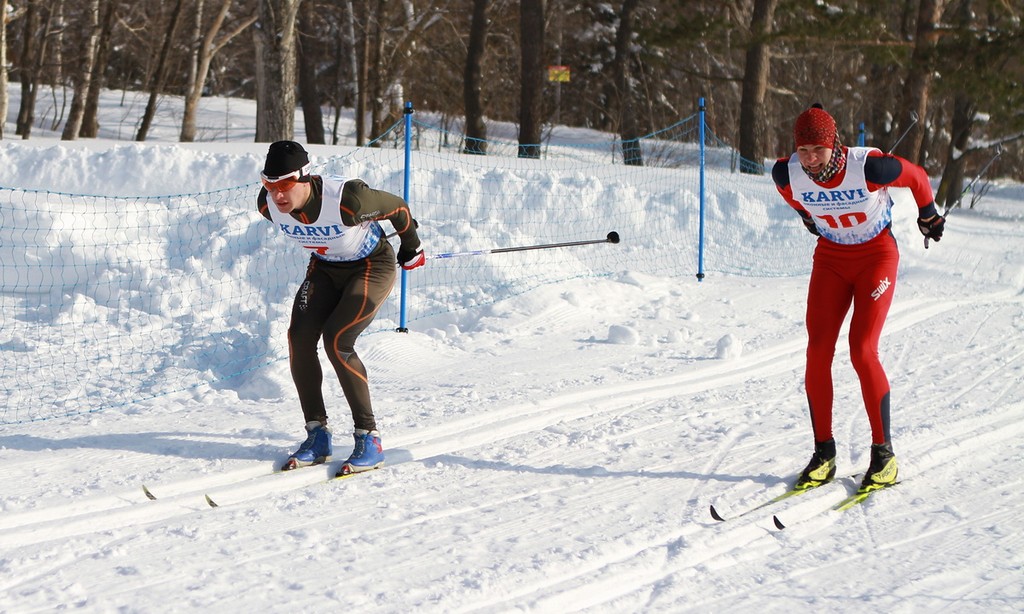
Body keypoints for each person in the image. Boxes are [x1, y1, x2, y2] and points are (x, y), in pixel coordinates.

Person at [771, 104, 945, 492]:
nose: (811, 160)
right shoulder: (786, 173)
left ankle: (884, 456)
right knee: (817, 350)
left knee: (862, 349)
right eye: (803, 151)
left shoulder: (869, 168)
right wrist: (810, 218)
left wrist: (928, 215)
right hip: (831, 261)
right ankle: (823, 453)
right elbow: (796, 198)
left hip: (875, 257)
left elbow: (916, 177)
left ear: (834, 144)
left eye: (818, 150)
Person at [256, 141, 424, 476]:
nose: (278, 195)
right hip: (325, 268)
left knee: (337, 339)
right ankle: (317, 436)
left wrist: (412, 246)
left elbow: (399, 209)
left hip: (370, 266)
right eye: (269, 185)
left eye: (286, 184)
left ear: (306, 177)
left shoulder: (348, 201)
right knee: (299, 339)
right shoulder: (267, 206)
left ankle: (369, 438)